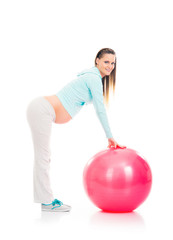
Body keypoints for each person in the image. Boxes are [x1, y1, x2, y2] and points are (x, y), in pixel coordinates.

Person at [26, 48, 125, 212]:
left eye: (113, 63)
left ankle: (46, 200)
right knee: (43, 156)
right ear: (97, 61)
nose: (110, 66)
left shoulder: (90, 76)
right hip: (43, 109)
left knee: (44, 156)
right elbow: (100, 109)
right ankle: (47, 202)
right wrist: (110, 136)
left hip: (42, 109)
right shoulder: (93, 78)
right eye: (106, 62)